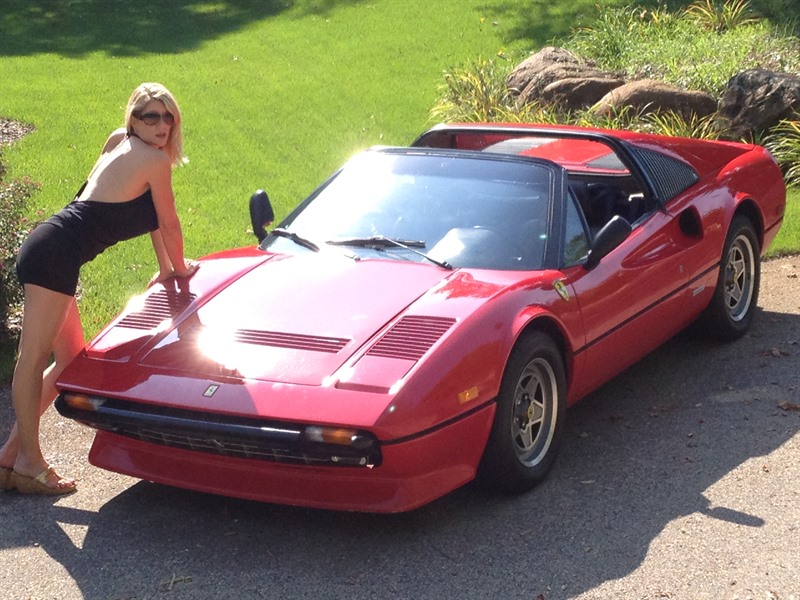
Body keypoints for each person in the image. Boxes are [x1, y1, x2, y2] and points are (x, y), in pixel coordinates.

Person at [0, 82, 198, 495]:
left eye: (168, 116)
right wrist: (181, 268)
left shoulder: (123, 144)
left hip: (51, 246)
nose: (161, 124)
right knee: (32, 360)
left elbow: (149, 217)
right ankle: (30, 464)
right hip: (54, 254)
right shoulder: (152, 161)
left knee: (70, 358)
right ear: (134, 118)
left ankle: (10, 455)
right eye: (150, 116)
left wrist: (166, 268)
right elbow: (170, 222)